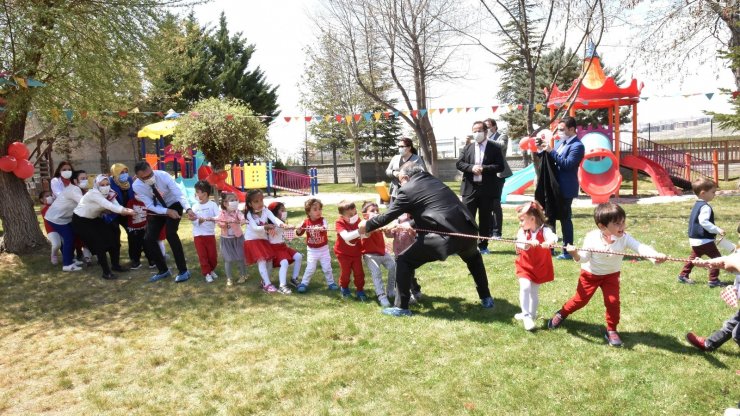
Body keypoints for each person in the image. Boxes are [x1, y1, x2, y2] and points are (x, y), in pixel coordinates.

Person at [359, 162, 495, 317]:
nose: (399, 184)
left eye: (400, 180)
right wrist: (408, 224)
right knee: (474, 259)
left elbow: (387, 216)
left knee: (404, 260)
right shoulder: (434, 181)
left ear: (405, 177)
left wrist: (367, 225)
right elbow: (434, 209)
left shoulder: (408, 189)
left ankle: (401, 307)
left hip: (445, 236)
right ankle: (486, 298)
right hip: (468, 230)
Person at [547, 203, 667, 347]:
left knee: (613, 302)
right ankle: (562, 313)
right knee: (580, 300)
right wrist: (575, 254)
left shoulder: (624, 237)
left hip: (611, 276)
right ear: (602, 226)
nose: (622, 226)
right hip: (590, 275)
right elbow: (584, 258)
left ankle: (611, 330)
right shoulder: (591, 238)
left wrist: (655, 256)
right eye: (617, 224)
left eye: (623, 221)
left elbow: (640, 247)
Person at [132, 161, 196, 283]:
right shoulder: (137, 186)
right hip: (157, 208)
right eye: (144, 177)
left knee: (170, 234)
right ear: (138, 177)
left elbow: (178, 194)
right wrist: (166, 211)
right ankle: (163, 270)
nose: (149, 178)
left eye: (150, 174)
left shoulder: (163, 175)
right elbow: (149, 205)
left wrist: (188, 209)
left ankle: (183, 271)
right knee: (149, 239)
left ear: (151, 169)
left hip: (174, 203)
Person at [537, 116, 585, 260]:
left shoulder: (577, 146)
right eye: (558, 129)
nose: (559, 132)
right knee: (549, 217)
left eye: (562, 129)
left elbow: (567, 164)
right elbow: (552, 159)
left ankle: (567, 250)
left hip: (565, 187)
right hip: (553, 187)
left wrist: (551, 151)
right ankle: (550, 248)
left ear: (572, 129)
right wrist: (542, 149)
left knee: (565, 218)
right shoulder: (560, 143)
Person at [71, 175, 135, 279]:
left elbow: (116, 205)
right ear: (97, 185)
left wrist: (124, 210)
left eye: (107, 184)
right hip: (81, 220)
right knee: (99, 244)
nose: (105, 187)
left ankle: (116, 266)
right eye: (102, 185)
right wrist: (125, 211)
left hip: (94, 218)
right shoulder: (93, 193)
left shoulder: (110, 192)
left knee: (113, 240)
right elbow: (108, 205)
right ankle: (106, 272)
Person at [456, 120, 505, 254]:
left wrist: (483, 169)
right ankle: (466, 245)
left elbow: (500, 166)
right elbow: (459, 164)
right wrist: (471, 168)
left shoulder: (494, 148)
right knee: (467, 218)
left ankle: (483, 245)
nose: (477, 133)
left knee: (485, 218)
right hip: (470, 188)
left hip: (487, 189)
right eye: (474, 131)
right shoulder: (467, 148)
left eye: (479, 130)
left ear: (485, 132)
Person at [514, 201, 558, 331]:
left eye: (522, 220)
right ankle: (526, 316)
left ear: (532, 219)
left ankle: (530, 315)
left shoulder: (545, 230)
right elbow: (520, 243)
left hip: (539, 266)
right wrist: (528, 243)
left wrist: (549, 242)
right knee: (525, 287)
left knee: (534, 292)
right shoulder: (523, 232)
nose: (520, 223)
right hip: (525, 265)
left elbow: (554, 238)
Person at [677, 178, 726, 287]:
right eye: (713, 192)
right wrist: (717, 230)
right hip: (703, 239)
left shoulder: (697, 204)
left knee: (693, 258)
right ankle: (713, 280)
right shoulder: (705, 206)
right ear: (703, 193)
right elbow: (703, 222)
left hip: (695, 239)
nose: (714, 195)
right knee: (716, 259)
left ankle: (683, 275)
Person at [44, 170, 88, 271]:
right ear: (75, 180)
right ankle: (67, 265)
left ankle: (70, 259)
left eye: (86, 178)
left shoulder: (76, 189)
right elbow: (84, 203)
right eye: (82, 178)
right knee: (69, 238)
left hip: (63, 218)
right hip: (55, 218)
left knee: (71, 236)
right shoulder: (74, 190)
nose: (85, 180)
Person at [243, 189, 284, 293]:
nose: (260, 203)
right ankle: (268, 284)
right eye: (256, 201)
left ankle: (265, 281)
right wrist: (265, 227)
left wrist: (282, 224)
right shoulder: (249, 215)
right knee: (261, 261)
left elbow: (275, 219)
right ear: (250, 204)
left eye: (261, 200)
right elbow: (255, 228)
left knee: (269, 261)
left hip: (263, 239)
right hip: (252, 240)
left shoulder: (266, 211)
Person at [294, 198, 338, 293]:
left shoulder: (323, 220)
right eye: (315, 209)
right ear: (308, 212)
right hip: (312, 250)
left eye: (320, 209)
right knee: (310, 268)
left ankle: (331, 283)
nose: (318, 211)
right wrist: (298, 229)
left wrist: (320, 228)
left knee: (327, 268)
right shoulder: (306, 222)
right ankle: (304, 283)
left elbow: (325, 228)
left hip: (324, 249)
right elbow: (299, 233)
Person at [360, 201, 396, 307]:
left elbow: (389, 235)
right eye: (372, 211)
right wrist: (373, 227)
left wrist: (388, 230)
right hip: (369, 254)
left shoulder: (380, 222)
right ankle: (381, 295)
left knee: (393, 266)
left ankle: (390, 291)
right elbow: (365, 233)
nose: (376, 213)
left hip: (382, 252)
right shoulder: (363, 223)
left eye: (377, 211)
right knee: (376, 272)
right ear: (365, 215)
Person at [484, 118, 512, 239]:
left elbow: (502, 146)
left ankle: (497, 232)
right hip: (487, 173)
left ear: (494, 127)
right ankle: (489, 230)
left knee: (495, 203)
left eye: (488, 127)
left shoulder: (502, 136)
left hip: (498, 174)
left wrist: (486, 139)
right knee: (486, 203)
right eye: (485, 128)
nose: (486, 130)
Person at [334, 200, 367, 301]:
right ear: (342, 216)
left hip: (356, 252)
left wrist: (367, 232)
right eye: (350, 215)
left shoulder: (358, 221)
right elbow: (346, 237)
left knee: (359, 272)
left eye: (355, 213)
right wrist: (359, 231)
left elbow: (363, 235)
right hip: (343, 253)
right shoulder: (339, 222)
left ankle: (360, 289)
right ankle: (344, 287)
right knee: (345, 272)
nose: (354, 216)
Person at [268, 201, 302, 295]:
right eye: (282, 210)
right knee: (284, 262)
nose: (284, 212)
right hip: (274, 249)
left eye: (285, 210)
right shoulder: (271, 225)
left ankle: (294, 279)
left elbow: (288, 236)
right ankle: (282, 286)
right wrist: (288, 227)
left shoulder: (283, 223)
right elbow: (280, 229)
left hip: (283, 247)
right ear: (274, 212)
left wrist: (297, 230)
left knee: (298, 256)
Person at [214, 193, 247, 287]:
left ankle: (243, 275)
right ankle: (229, 278)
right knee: (227, 260)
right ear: (225, 203)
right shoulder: (222, 213)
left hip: (238, 238)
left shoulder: (237, 212)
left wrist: (243, 221)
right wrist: (223, 224)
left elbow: (242, 218)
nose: (235, 202)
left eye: (235, 200)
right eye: (232, 200)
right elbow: (218, 221)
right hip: (226, 240)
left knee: (240, 257)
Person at [191, 181, 220, 283]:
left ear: (205, 194)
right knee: (202, 255)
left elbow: (219, 217)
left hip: (210, 234)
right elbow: (193, 220)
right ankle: (207, 273)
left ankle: (211, 269)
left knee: (212, 256)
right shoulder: (194, 206)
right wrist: (198, 220)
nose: (196, 194)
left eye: (197, 192)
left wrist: (211, 218)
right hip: (198, 235)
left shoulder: (213, 205)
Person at [108, 163, 136, 267]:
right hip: (113, 214)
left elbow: (133, 195)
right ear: (115, 173)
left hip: (127, 213)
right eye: (121, 172)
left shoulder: (129, 180)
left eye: (126, 172)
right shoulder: (109, 182)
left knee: (132, 234)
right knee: (115, 238)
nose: (125, 174)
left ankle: (134, 258)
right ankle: (115, 263)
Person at [385, 137, 427, 202]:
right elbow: (387, 171)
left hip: (410, 191)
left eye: (402, 146)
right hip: (395, 191)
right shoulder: (395, 158)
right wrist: (394, 173)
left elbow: (421, 174)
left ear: (409, 147)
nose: (399, 148)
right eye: (398, 146)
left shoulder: (417, 159)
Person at [39, 191, 61, 265]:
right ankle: (53, 255)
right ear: (42, 200)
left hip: (60, 226)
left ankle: (69, 257)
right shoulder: (43, 206)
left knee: (65, 242)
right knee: (56, 244)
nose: (49, 197)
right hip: (51, 228)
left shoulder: (55, 204)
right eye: (46, 196)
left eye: (50, 195)